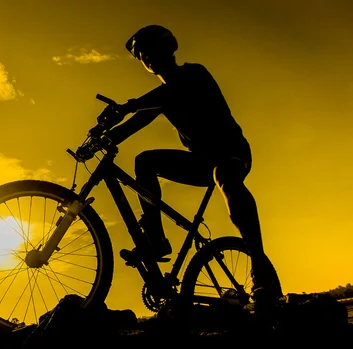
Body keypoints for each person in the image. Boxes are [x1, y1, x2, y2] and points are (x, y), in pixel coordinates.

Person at [100, 25, 283, 312]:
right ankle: (157, 240)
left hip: (231, 152)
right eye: (141, 55)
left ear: (168, 48)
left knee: (225, 176)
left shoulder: (194, 73)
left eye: (150, 51)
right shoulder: (162, 96)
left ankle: (259, 266)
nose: (146, 58)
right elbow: (141, 120)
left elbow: (166, 95)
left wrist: (128, 106)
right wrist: (105, 138)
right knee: (144, 161)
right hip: (200, 161)